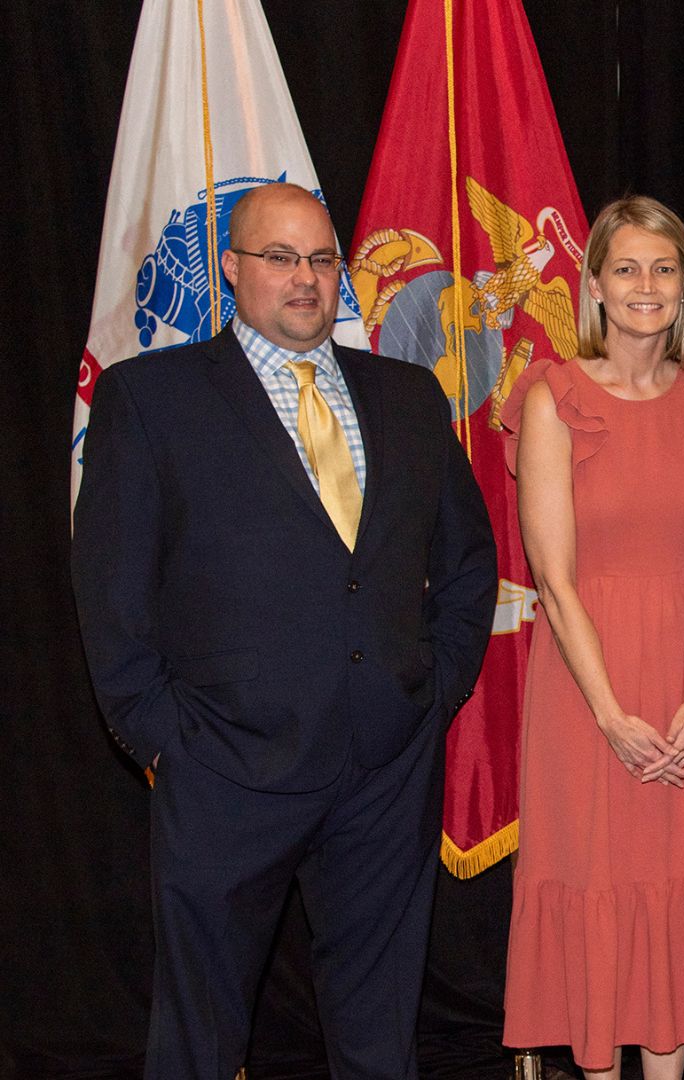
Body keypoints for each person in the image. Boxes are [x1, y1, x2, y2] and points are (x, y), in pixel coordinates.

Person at [70, 183, 496, 1079]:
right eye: (280, 257)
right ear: (231, 268)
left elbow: (466, 562)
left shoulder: (409, 395)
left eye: (321, 259)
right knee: (199, 1041)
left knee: (380, 1038)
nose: (305, 278)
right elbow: (112, 592)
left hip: (386, 764)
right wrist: (162, 738)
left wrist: (435, 688)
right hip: (225, 768)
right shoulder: (151, 399)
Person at [500, 196, 684, 1079]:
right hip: (586, 689)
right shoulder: (553, 397)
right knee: (599, 888)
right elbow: (554, 579)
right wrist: (609, 715)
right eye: (627, 269)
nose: (647, 285)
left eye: (664, 268)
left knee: (678, 890)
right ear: (596, 286)